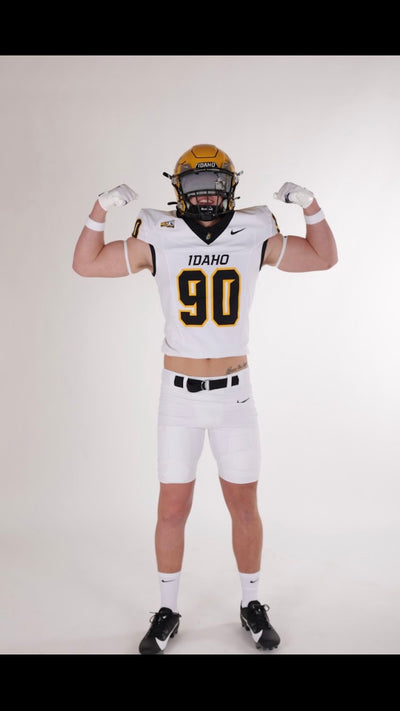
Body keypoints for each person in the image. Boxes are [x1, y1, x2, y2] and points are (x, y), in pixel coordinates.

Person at [73, 144, 338, 655]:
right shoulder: (159, 233)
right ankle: (167, 609)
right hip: (179, 399)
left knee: (245, 507)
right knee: (172, 510)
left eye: (215, 185)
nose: (208, 196)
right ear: (179, 190)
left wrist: (311, 206)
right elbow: (85, 264)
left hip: (236, 397)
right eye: (196, 187)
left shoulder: (254, 230)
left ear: (231, 187)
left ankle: (252, 603)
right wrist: (99, 210)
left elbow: (324, 257)